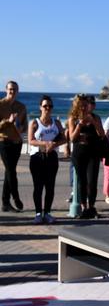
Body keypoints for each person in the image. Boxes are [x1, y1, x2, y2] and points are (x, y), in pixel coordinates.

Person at [27, 95, 66, 224]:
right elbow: (31, 140)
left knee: (50, 187)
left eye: (50, 106)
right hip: (37, 157)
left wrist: (54, 144)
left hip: (51, 158)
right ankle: (38, 213)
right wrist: (45, 143)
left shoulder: (56, 123)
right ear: (40, 107)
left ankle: (47, 212)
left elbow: (64, 138)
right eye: (45, 106)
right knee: (38, 186)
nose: (47, 108)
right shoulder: (34, 122)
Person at [68, 94, 105, 218]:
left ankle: (91, 207)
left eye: (85, 105)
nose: (84, 108)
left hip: (93, 153)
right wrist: (80, 125)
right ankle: (84, 207)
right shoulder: (73, 118)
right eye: (81, 105)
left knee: (92, 181)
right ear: (76, 106)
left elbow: (101, 134)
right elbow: (72, 138)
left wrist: (93, 122)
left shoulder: (95, 117)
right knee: (82, 181)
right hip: (79, 153)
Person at [0, 81, 27, 213]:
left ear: (18, 91)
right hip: (4, 142)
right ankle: (16, 197)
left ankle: (5, 203)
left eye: (15, 89)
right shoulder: (1, 105)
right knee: (11, 171)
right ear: (6, 90)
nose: (12, 92)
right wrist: (8, 121)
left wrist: (20, 128)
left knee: (8, 172)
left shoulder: (21, 107)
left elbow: (25, 126)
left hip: (17, 143)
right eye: (10, 89)